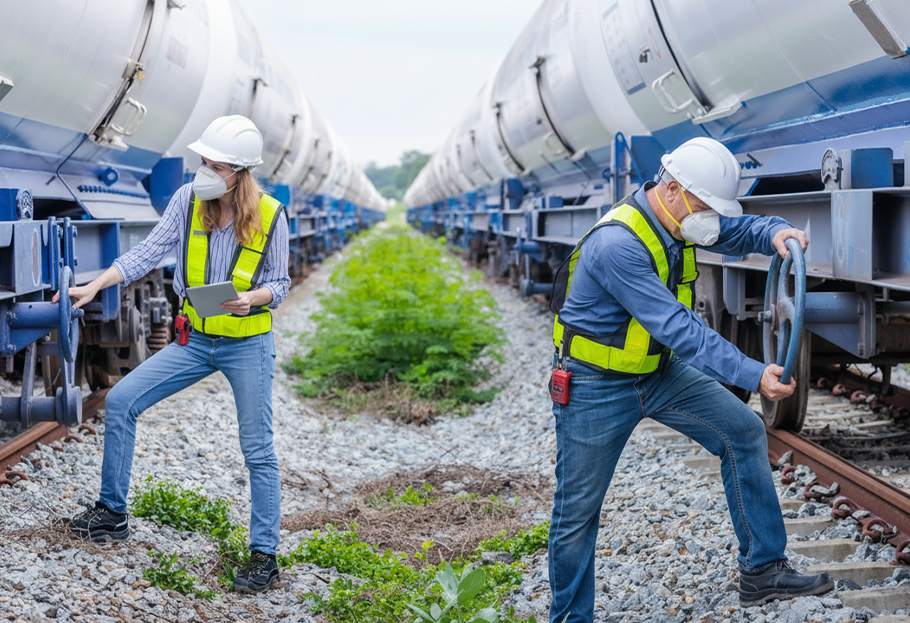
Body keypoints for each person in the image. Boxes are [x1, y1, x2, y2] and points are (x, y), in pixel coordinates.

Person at [547, 137, 833, 622]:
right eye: (705, 205)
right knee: (577, 513)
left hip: (655, 372)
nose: (710, 218)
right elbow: (682, 331)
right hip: (594, 386)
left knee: (742, 432)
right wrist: (752, 373)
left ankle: (763, 570)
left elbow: (734, 231)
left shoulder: (679, 219)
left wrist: (774, 232)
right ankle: (570, 617)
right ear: (674, 188)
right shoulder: (618, 244)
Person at [56, 115, 290, 594]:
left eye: (215, 164)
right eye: (203, 160)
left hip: (247, 344)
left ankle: (264, 555)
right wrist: (95, 285)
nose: (204, 169)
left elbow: (281, 284)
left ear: (239, 172)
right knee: (121, 402)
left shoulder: (270, 215)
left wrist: (252, 299)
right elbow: (146, 253)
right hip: (196, 340)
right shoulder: (188, 201)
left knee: (258, 450)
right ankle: (111, 512)